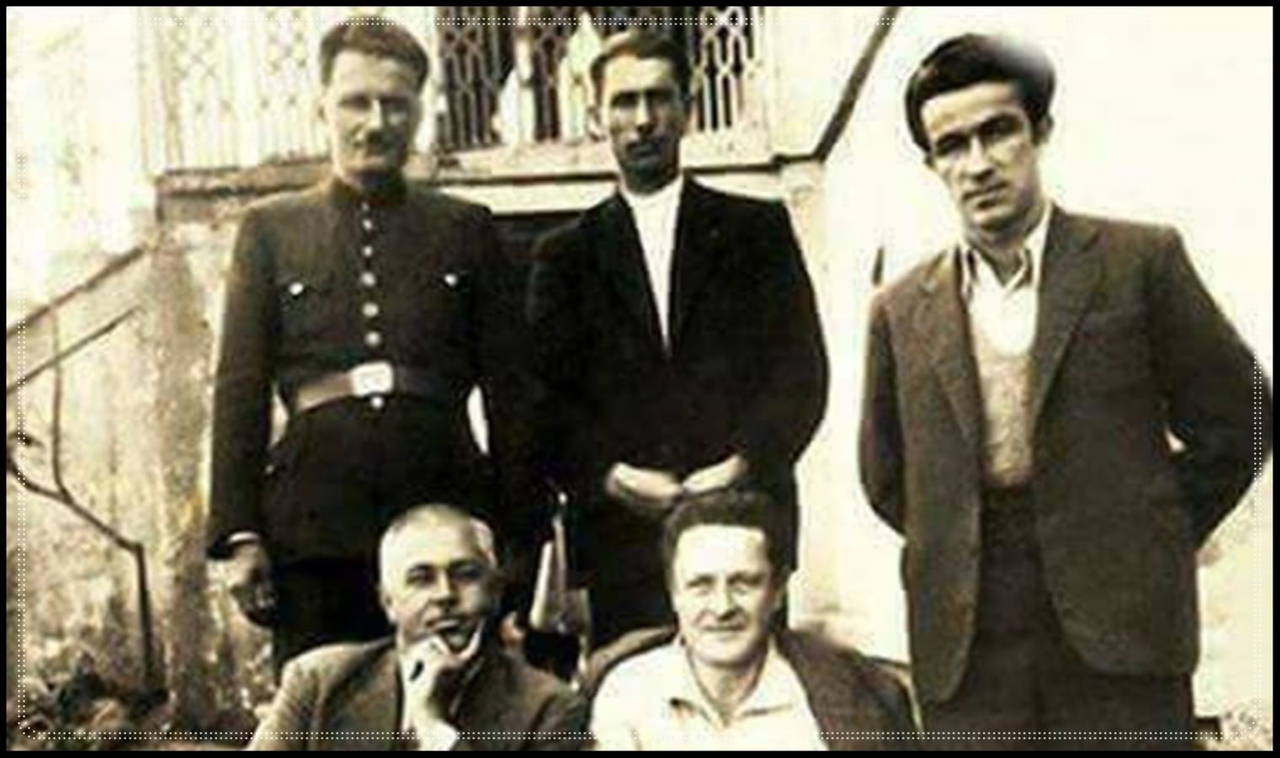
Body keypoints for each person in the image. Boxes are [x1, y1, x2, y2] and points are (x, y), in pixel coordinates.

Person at [859, 33, 1274, 748]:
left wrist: (1151, 531)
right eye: (952, 146)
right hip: (969, 640)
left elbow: (1249, 417)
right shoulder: (900, 308)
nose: (978, 163)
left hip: (1122, 624)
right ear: (932, 165)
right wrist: (963, 541)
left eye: (998, 132)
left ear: (1040, 132)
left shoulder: (1137, 262)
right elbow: (886, 475)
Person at [206, 17, 533, 670]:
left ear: (421, 112)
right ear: (322, 107)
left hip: (443, 515)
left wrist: (518, 533)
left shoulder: (466, 229)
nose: (375, 123)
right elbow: (239, 387)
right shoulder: (270, 231)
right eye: (356, 102)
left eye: (395, 104)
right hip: (315, 527)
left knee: (455, 699)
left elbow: (512, 393)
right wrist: (239, 535)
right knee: (327, 700)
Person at [527, 29, 828, 648]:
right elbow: (543, 400)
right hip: (621, 539)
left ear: (687, 110)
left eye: (659, 98)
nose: (643, 120)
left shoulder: (756, 231)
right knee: (634, 693)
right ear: (597, 116)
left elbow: (801, 373)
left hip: (742, 529)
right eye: (624, 102)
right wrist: (611, 476)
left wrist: (741, 465)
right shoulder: (564, 257)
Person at [586, 489, 917, 750]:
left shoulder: (845, 700)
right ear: (674, 594)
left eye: (743, 584)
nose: (722, 607)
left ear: (778, 591)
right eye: (701, 585)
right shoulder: (629, 692)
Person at [248, 504, 589, 750]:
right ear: (388, 603)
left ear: (495, 592)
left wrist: (434, 727)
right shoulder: (319, 683)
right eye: (421, 579)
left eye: (466, 575)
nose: (445, 595)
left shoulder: (549, 709)